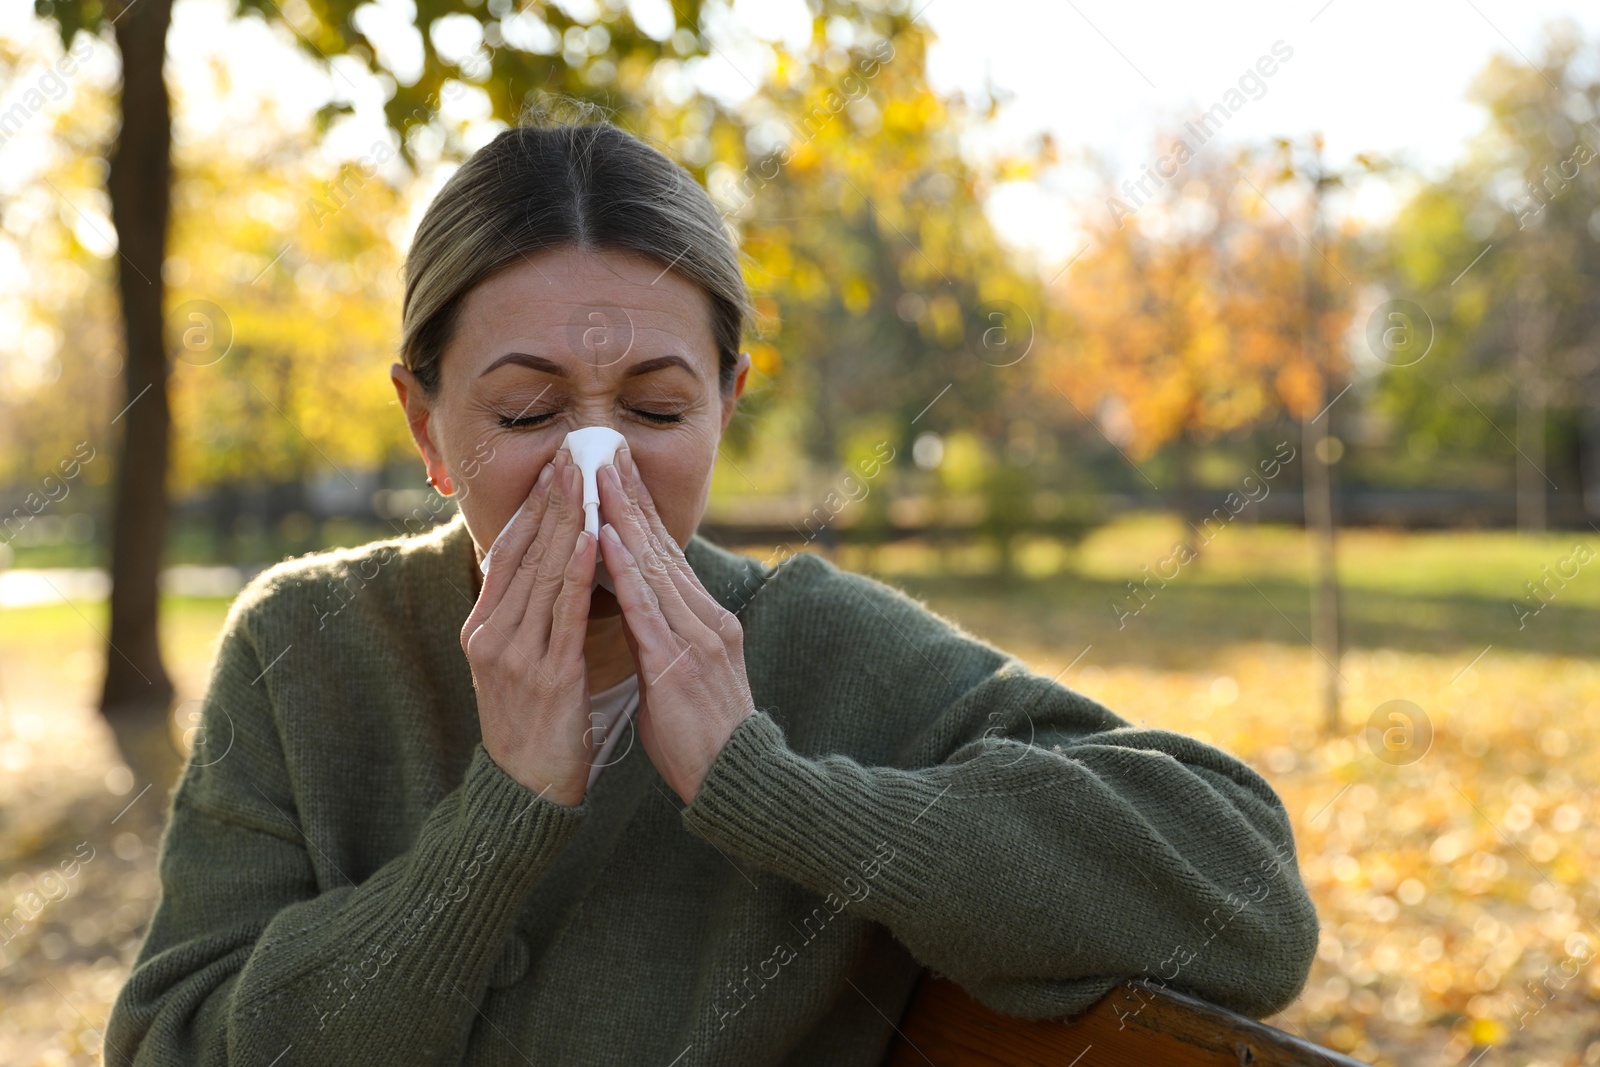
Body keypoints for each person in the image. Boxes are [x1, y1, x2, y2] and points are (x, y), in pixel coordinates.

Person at [105, 118, 1319, 1066]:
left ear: (728, 404)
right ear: (425, 424)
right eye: (526, 411)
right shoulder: (307, 647)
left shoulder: (829, 651)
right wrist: (503, 810)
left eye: (655, 407)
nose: (598, 466)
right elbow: (173, 1044)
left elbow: (1246, 899)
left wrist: (766, 783)